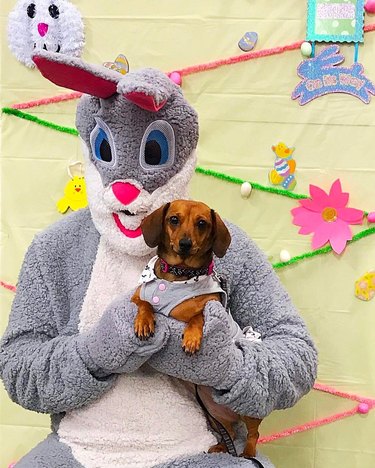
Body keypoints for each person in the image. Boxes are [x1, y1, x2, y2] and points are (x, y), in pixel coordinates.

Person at [0, 50, 317, 468]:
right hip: (80, 448)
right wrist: (92, 354)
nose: (128, 188)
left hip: (198, 448)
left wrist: (228, 366)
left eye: (152, 153)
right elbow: (18, 368)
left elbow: (297, 356)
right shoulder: (54, 249)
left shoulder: (222, 243)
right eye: (108, 153)